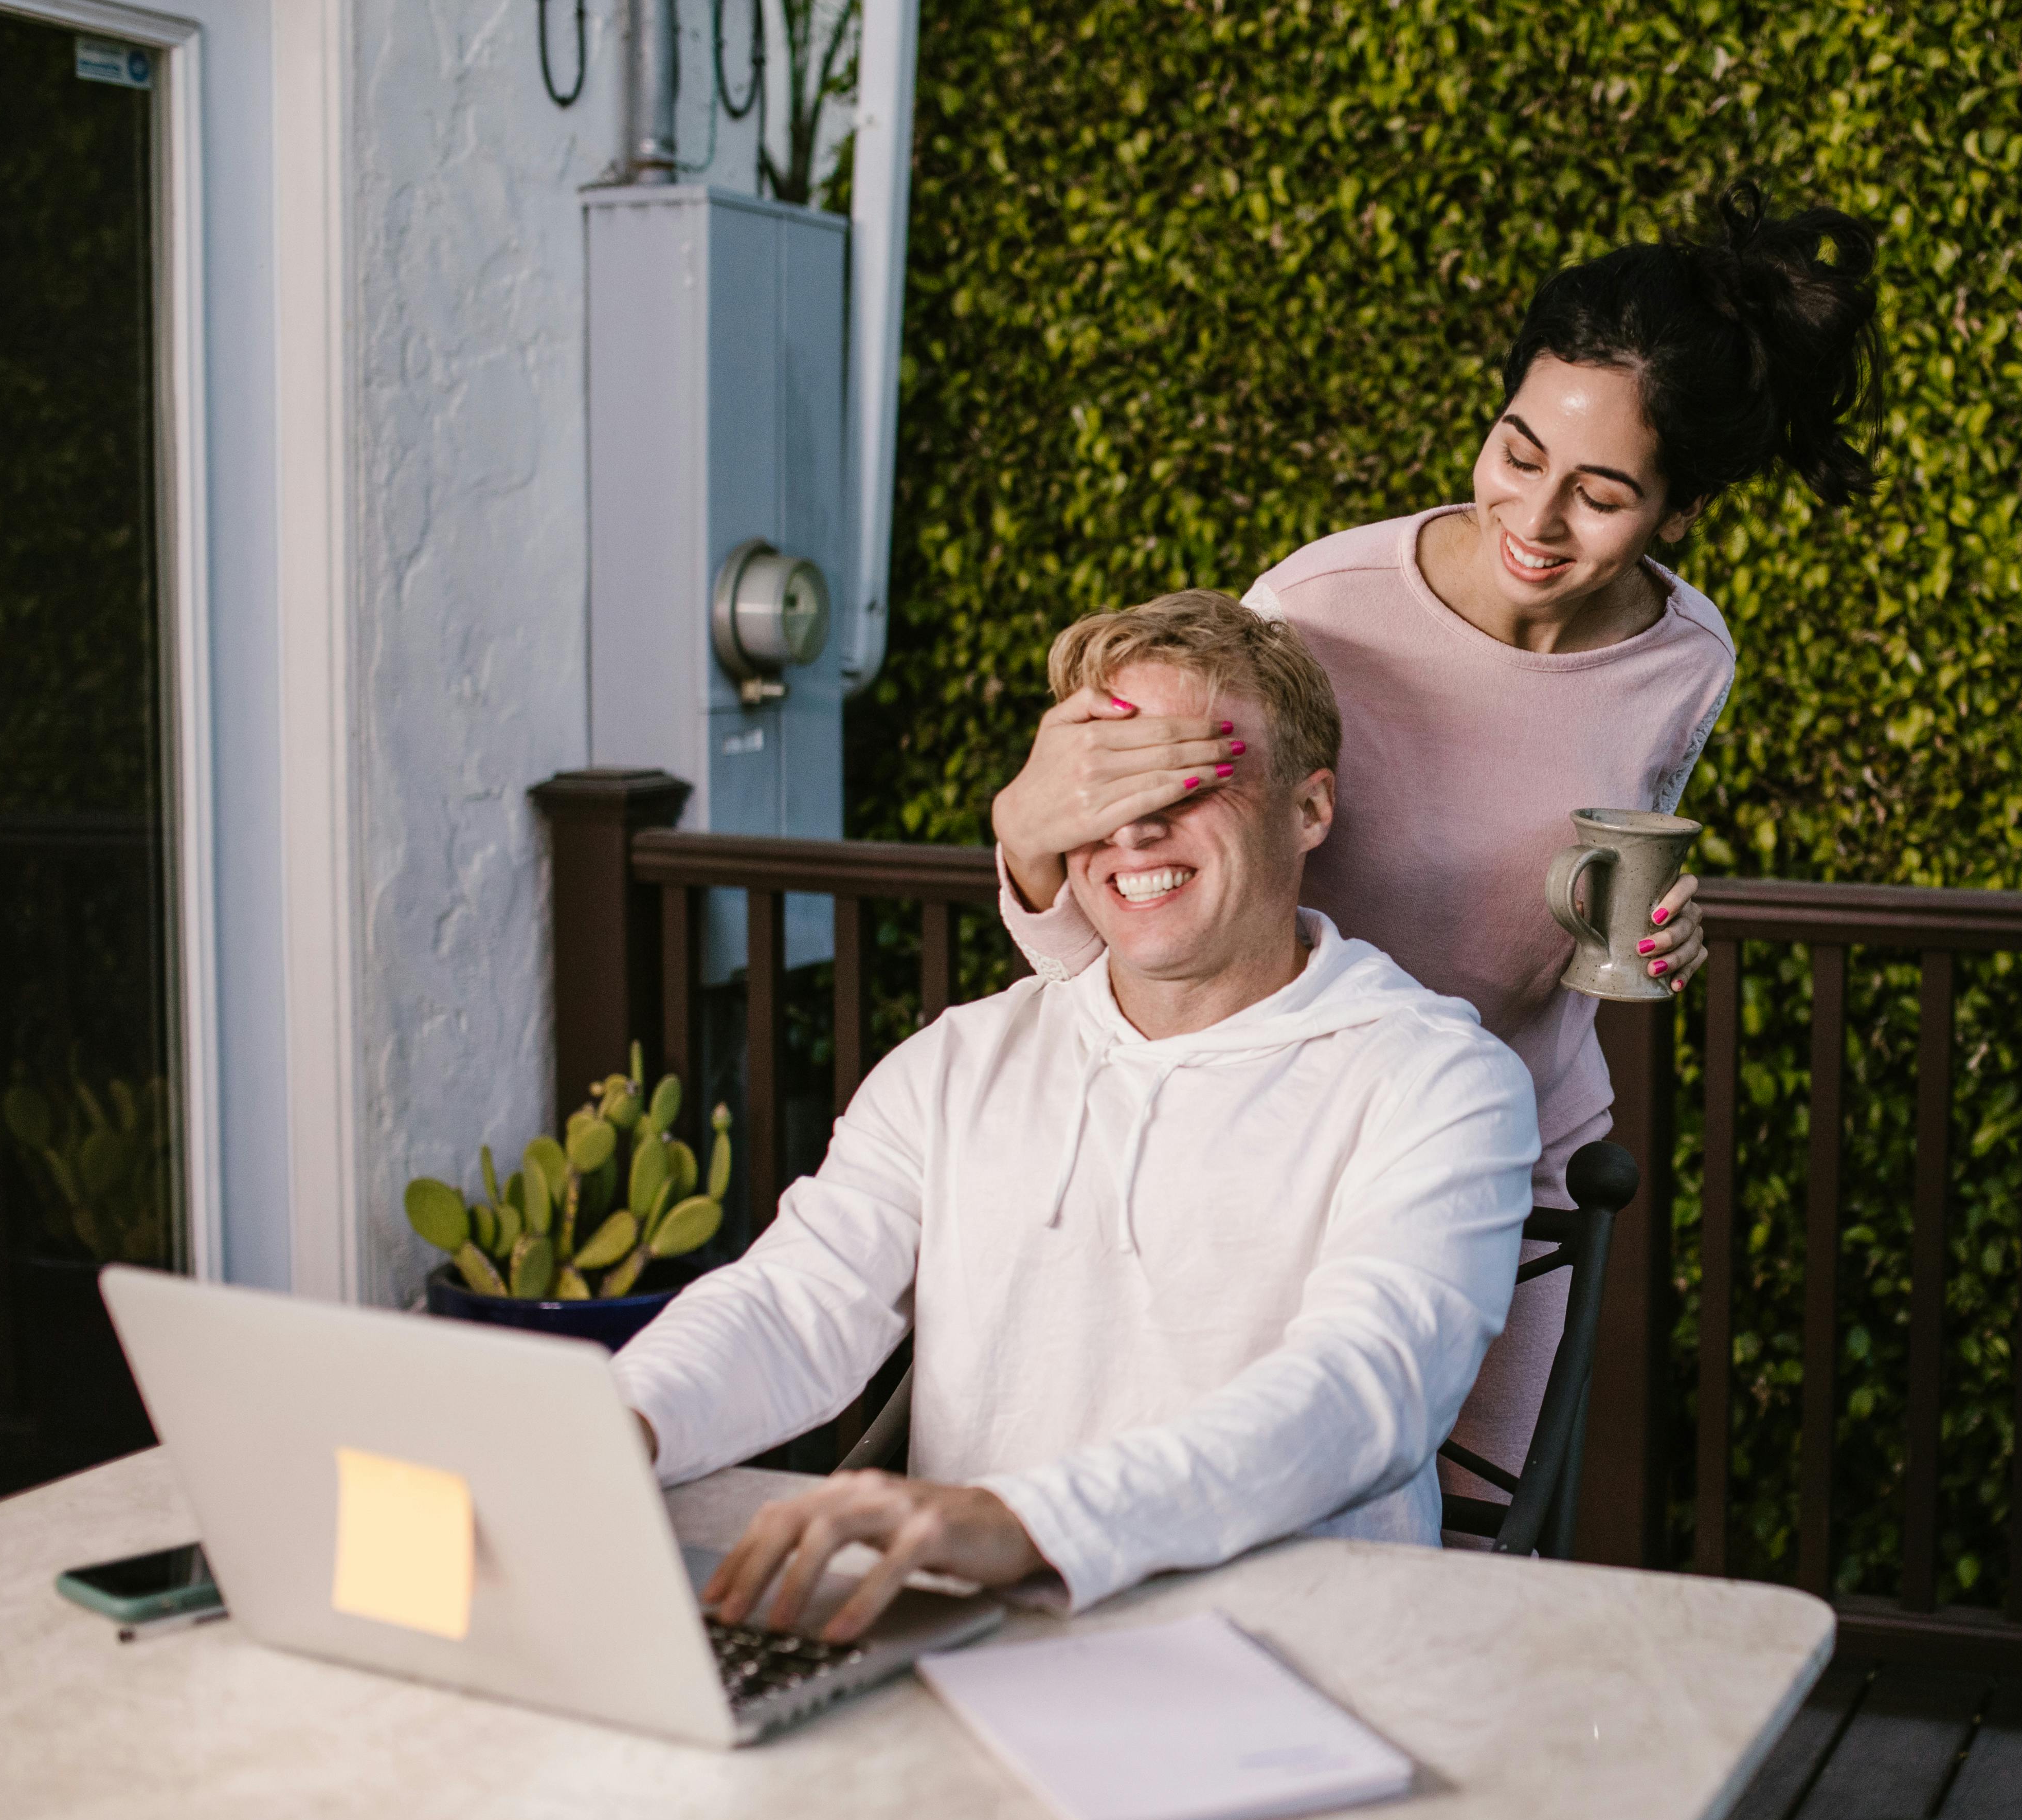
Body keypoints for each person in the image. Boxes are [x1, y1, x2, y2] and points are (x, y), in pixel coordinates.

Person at [986, 179, 1886, 1499]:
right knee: (1242, 1524)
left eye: (1600, 493)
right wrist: (1024, 853)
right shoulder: (1316, 611)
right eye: (1515, 453)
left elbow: (1592, 857)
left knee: (1474, 1551)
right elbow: (1146, 887)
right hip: (1286, 1156)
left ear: (1677, 512)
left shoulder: (1688, 660)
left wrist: (1661, 920)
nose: (1533, 519)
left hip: (1521, 1162)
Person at [616, 591, 1540, 1641]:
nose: (1134, 825)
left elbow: (1365, 1387)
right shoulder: (956, 1061)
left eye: (1188, 778)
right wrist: (615, 1425)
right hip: (967, 1645)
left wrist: (1023, 1520)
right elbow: (794, 1304)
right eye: (1100, 782)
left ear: (1309, 807)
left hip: (1296, 1661)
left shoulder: (1435, 1078)